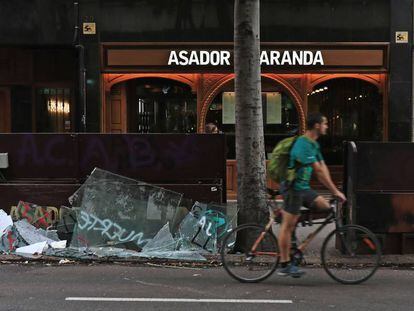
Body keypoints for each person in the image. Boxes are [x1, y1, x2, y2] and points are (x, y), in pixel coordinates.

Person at [277, 112, 347, 278]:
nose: (327, 126)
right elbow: (318, 172)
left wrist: (334, 192)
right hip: (293, 188)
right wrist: (335, 192)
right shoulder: (303, 144)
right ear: (317, 125)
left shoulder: (314, 145)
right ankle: (285, 264)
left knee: (326, 207)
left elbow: (324, 168)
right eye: (325, 123)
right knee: (287, 226)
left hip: (304, 188)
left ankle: (296, 238)